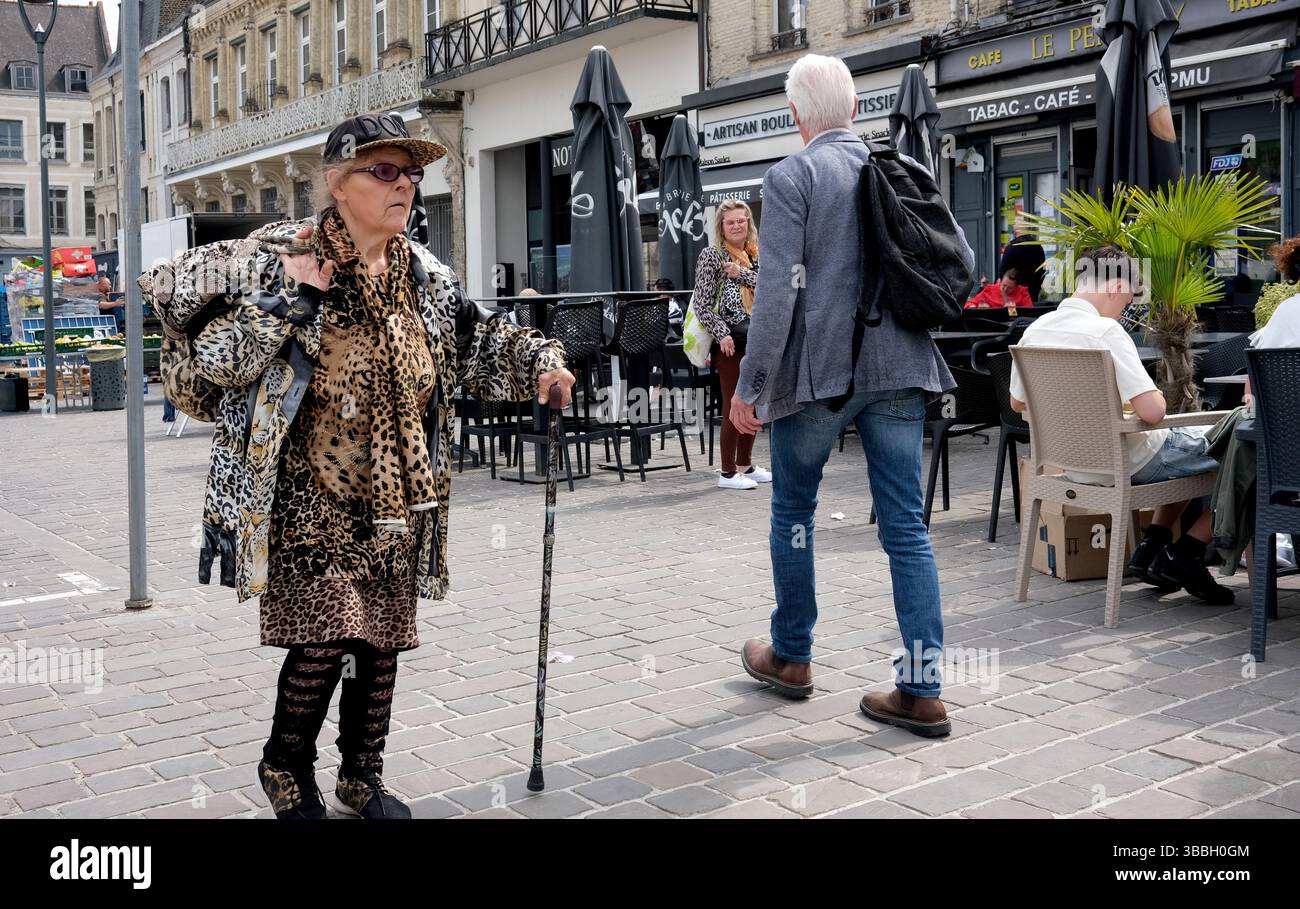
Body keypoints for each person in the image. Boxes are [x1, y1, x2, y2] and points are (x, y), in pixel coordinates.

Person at [144, 112, 575, 820]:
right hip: (308, 494)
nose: (405, 184)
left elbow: (480, 337)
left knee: (381, 642)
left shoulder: (422, 275)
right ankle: (285, 764)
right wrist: (293, 297)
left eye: (412, 173)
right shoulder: (282, 258)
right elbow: (215, 360)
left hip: (400, 493)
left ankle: (361, 773)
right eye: (385, 171)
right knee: (327, 635)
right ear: (339, 184)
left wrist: (541, 362)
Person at [729, 54, 963, 737]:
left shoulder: (792, 175)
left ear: (799, 116)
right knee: (906, 528)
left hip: (821, 378)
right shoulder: (896, 167)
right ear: (856, 109)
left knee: (794, 509)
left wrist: (751, 386)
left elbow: (777, 296)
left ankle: (793, 654)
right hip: (901, 367)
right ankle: (921, 687)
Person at [1008, 245, 1233, 605]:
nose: (1126, 308)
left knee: (1186, 454)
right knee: (1242, 448)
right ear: (1114, 286)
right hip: (1130, 462)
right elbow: (1154, 413)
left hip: (1072, 467)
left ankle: (1152, 546)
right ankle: (1186, 553)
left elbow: (1017, 403)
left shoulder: (1036, 330)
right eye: (1128, 298)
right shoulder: (1104, 332)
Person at [691, 200, 771, 490]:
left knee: (755, 402)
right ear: (721, 227)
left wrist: (741, 274)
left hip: (758, 337)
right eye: (730, 222)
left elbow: (771, 286)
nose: (737, 226)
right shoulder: (712, 256)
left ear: (749, 224)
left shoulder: (756, 254)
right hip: (729, 341)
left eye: (741, 221)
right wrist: (721, 334)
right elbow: (702, 304)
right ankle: (726, 473)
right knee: (733, 403)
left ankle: (745, 465)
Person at [999, 218, 1047, 302]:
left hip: (1013, 296)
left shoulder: (1012, 246)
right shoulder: (1038, 247)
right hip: (1032, 294)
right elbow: (1043, 270)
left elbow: (1003, 271)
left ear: (1016, 231)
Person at [965, 267, 1032, 310]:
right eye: (1004, 285)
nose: (1005, 289)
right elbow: (969, 304)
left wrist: (1016, 309)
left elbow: (1030, 312)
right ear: (1001, 280)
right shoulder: (989, 290)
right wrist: (977, 309)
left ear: (1016, 287)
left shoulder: (1022, 292)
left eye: (1010, 288)